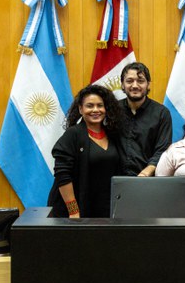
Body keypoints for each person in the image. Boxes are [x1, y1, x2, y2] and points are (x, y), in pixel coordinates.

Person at [47, 85, 127, 218]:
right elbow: (62, 175)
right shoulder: (73, 134)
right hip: (74, 212)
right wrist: (73, 211)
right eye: (90, 106)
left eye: (100, 106)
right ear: (80, 109)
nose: (95, 110)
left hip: (104, 210)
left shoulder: (113, 135)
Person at [120, 62, 172, 177]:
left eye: (140, 81)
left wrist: (145, 173)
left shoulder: (162, 113)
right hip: (113, 180)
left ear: (148, 84)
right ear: (122, 85)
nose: (135, 85)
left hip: (148, 181)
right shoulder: (112, 110)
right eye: (129, 81)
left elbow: (162, 150)